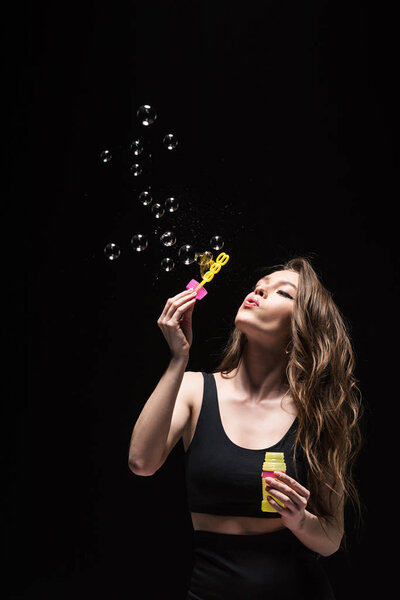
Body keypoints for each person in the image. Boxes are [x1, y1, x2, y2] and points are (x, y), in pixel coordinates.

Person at [128, 256, 363, 599]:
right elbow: (141, 462)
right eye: (257, 288)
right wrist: (178, 358)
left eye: (282, 293)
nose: (257, 294)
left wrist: (299, 519)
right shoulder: (194, 389)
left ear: (302, 325)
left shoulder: (317, 413)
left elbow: (329, 540)